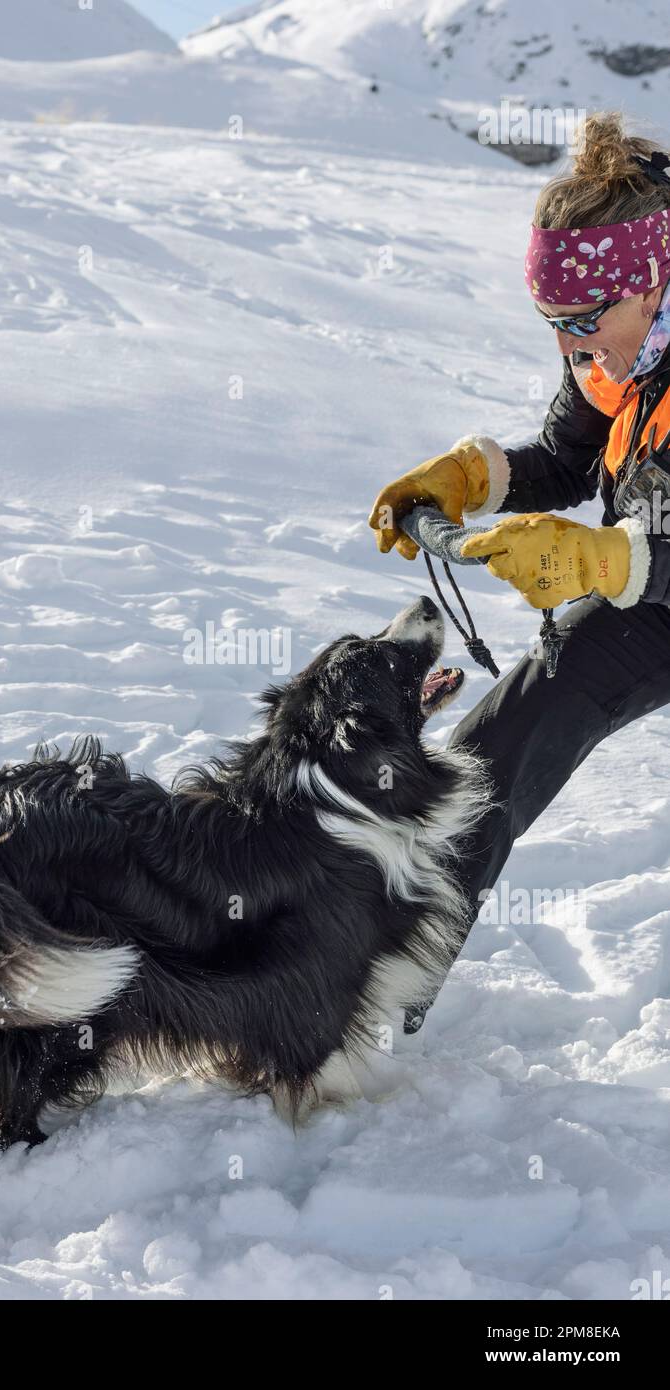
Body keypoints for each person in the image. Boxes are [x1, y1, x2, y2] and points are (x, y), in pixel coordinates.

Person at [368, 112, 670, 1032]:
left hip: (650, 570)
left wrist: (606, 557)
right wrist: (473, 478)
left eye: (586, 321)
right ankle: (378, 979)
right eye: (554, 326)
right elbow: (568, 458)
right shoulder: (617, 353)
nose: (575, 348)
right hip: (654, 585)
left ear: (652, 277)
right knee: (508, 733)